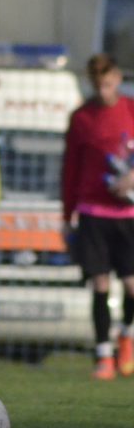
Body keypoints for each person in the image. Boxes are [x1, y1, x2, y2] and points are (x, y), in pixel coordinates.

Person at [61, 53, 134, 380]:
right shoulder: (81, 118)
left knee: (131, 286)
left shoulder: (131, 109)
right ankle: (103, 355)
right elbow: (70, 168)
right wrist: (67, 215)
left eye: (108, 83)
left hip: (128, 214)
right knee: (100, 284)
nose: (104, 91)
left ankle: (127, 336)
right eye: (98, 85)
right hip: (93, 213)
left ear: (118, 79)